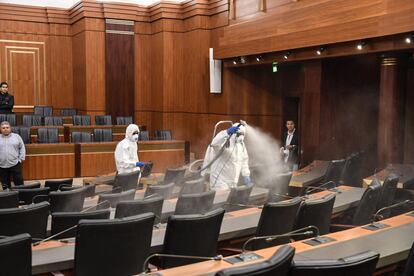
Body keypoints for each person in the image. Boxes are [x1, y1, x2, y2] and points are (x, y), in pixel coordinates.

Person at [203, 122, 251, 190]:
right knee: (221, 200)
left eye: (243, 134)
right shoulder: (224, 142)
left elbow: (244, 160)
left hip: (233, 181)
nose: (241, 136)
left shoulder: (241, 145)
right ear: (234, 133)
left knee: (230, 200)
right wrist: (226, 132)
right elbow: (214, 144)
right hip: (219, 181)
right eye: (239, 134)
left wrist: (246, 174)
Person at [0, 121, 25, 189]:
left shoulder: (17, 136)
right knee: (5, 184)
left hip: (15, 164)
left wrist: (21, 159)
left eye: (7, 127)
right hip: (2, 166)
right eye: (3, 128)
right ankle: (8, 198)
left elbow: (22, 147)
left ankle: (21, 196)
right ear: (0, 129)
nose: (5, 129)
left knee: (19, 183)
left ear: (10, 128)